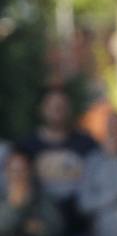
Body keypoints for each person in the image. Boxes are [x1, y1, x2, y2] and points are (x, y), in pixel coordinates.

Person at [18, 88, 97, 227]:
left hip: (82, 227)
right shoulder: (26, 146)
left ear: (69, 109)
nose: (57, 110)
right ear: (41, 109)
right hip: (41, 228)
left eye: (61, 106)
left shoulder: (87, 144)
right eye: (52, 106)